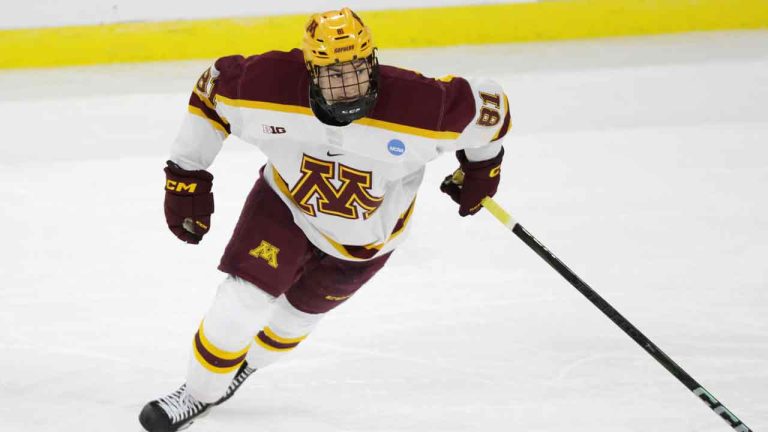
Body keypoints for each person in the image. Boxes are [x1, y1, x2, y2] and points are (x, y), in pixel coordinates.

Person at [139, 7, 510, 432]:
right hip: (286, 208)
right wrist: (186, 175)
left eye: (356, 70)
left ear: (373, 61)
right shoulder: (269, 85)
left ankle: (248, 365)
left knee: (294, 320)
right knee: (241, 300)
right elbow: (211, 92)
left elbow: (492, 108)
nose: (348, 86)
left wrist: (484, 167)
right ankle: (196, 393)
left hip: (366, 242)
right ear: (310, 71)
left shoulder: (424, 107)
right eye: (333, 74)